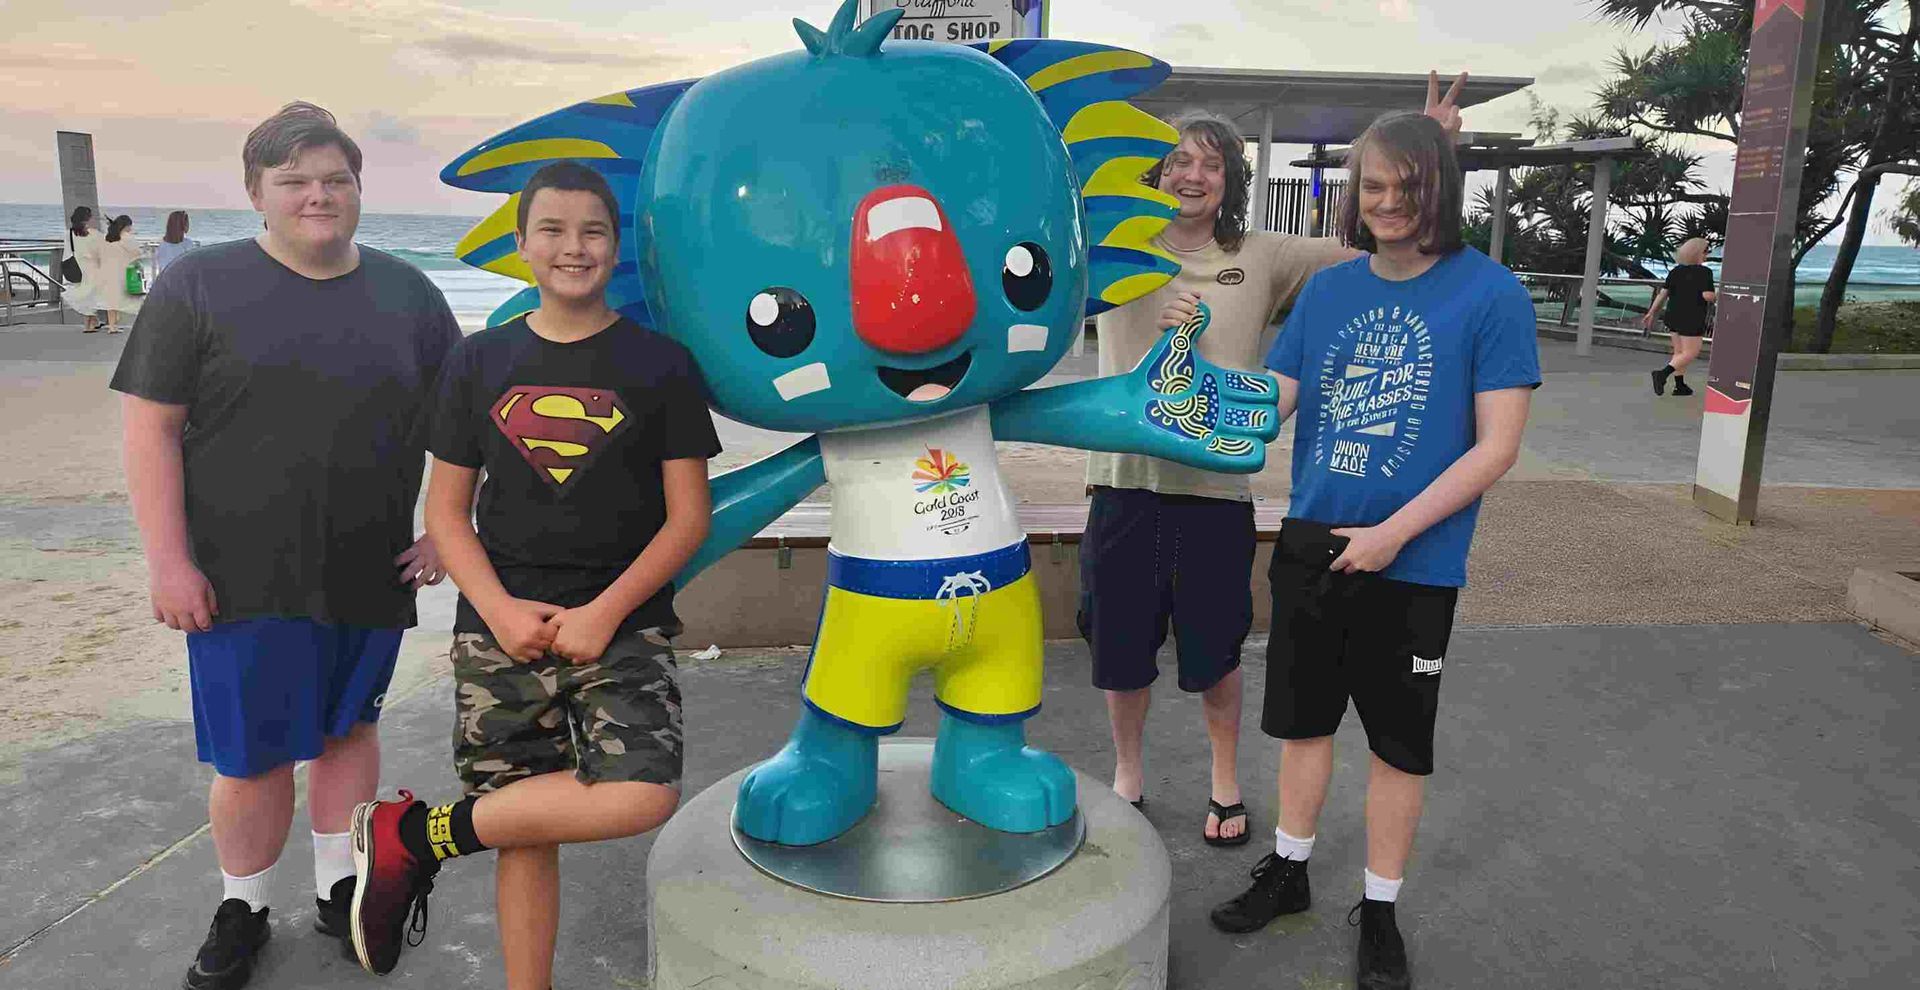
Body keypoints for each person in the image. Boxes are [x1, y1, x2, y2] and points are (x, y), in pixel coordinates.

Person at [110, 101, 460, 990]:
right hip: (239, 576)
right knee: (254, 757)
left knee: (349, 732)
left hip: (369, 565)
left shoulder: (410, 294)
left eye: (336, 179)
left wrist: (446, 529)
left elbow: (461, 425)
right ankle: (244, 907)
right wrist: (168, 562)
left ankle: (339, 888)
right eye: (295, 180)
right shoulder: (198, 287)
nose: (318, 195)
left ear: (358, 188)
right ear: (255, 192)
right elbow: (150, 432)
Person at [346, 161, 719, 990]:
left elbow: (687, 518)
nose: (572, 247)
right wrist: (500, 611)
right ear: (521, 245)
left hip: (624, 626)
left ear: (616, 246)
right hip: (499, 632)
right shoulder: (479, 361)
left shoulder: (661, 365)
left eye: (593, 231)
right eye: (552, 229)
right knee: (523, 826)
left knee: (641, 794)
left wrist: (604, 612)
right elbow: (448, 513)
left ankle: (419, 835)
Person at [1079, 72, 1467, 848]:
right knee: (1120, 653)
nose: (1193, 174)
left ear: (1230, 180)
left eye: (1211, 163)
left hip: (1217, 493)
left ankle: (1224, 782)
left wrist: (1428, 151)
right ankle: (1128, 774)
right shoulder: (1112, 251)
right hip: (1123, 486)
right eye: (1179, 160)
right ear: (1156, 171)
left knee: (1217, 653)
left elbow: (1372, 237)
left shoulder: (1261, 254)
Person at [1209, 111, 1539, 990]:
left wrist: (1395, 533)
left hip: (1416, 560)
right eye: (1374, 187)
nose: (1388, 203)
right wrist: (1182, 377)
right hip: (1314, 544)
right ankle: (1288, 870)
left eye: (1407, 186)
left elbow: (1497, 446)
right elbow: (1268, 402)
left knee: (1399, 747)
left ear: (1441, 189)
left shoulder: (1492, 295)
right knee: (1303, 726)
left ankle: (1381, 910)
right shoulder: (1329, 293)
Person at [1641, 237, 1716, 396]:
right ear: (1697, 252)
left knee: (1679, 352)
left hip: (1673, 315)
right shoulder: (1705, 272)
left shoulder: (1676, 271)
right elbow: (1708, 296)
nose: (1707, 255)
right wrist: (1719, 296)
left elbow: (1663, 294)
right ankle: (1662, 374)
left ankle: (1680, 386)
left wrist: (1651, 312)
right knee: (1691, 352)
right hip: (1692, 316)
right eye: (1705, 251)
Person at [94, 214, 144, 333]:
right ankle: (118, 324)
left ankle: (112, 325)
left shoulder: (107, 237)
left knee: (111, 299)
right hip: (122, 272)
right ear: (126, 226)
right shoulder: (126, 237)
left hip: (107, 271)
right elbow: (137, 252)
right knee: (129, 298)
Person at [63, 205, 103, 332]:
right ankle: (88, 325)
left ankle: (93, 321)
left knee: (85, 295)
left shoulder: (68, 233)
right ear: (87, 219)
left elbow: (67, 253)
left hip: (76, 267)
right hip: (90, 267)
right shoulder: (92, 234)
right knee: (90, 296)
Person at [155, 210, 199, 277]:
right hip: (181, 278)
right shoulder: (187, 244)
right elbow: (191, 265)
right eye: (187, 222)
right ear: (182, 225)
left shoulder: (162, 245)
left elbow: (161, 265)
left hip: (167, 278)